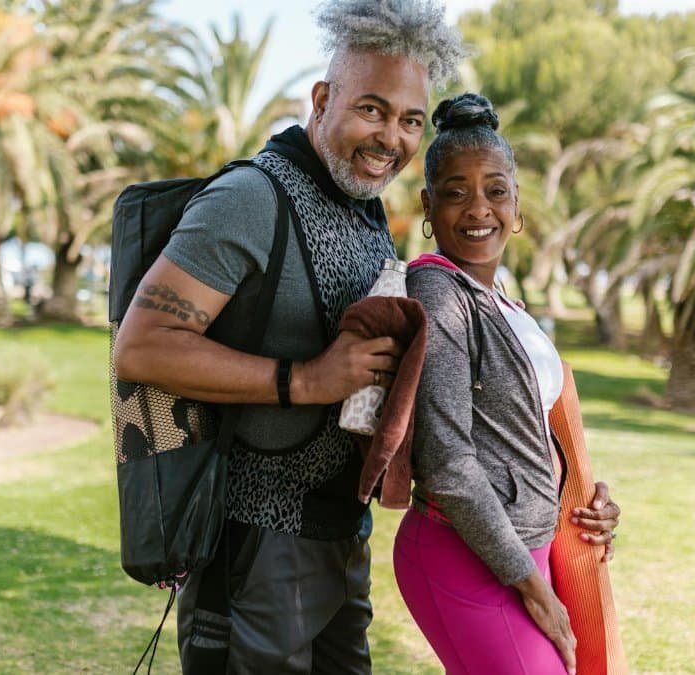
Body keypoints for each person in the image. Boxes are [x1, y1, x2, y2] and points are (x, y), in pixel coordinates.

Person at [112, 2, 466, 672]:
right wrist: (303, 380)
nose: (392, 137)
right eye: (372, 109)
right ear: (324, 98)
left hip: (338, 541)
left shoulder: (364, 213)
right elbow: (142, 344)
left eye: (411, 119)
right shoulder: (250, 198)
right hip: (253, 548)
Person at [394, 93, 622, 675]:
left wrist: (584, 498)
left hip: (527, 551)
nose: (479, 208)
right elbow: (446, 460)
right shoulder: (439, 292)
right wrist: (534, 590)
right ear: (428, 205)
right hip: (463, 552)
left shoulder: (505, 304)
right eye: (455, 191)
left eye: (496, 190)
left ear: (516, 203)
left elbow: (530, 432)